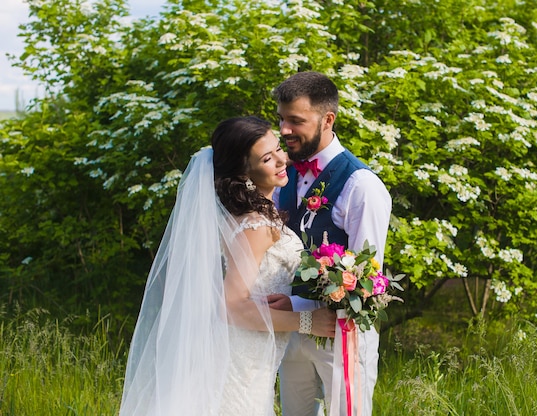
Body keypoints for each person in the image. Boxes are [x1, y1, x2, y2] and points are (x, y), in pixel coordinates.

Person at [118, 116, 336, 416]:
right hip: (240, 357)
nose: (280, 160)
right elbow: (230, 307)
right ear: (244, 171)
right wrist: (309, 321)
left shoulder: (249, 215)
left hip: (254, 355)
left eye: (277, 149)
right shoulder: (255, 225)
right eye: (267, 158)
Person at [269, 72, 392, 416]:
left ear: (327, 119)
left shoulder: (361, 186)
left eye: (295, 120)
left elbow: (367, 280)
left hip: (341, 335)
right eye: (281, 118)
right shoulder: (283, 174)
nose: (284, 130)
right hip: (290, 330)